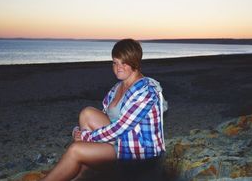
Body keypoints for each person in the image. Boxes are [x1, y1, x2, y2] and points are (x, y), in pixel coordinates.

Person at [40, 39, 166, 181]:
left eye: (123, 63)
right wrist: (78, 132)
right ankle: (82, 173)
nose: (118, 67)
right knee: (87, 113)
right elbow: (103, 116)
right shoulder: (117, 88)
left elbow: (121, 128)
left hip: (139, 155)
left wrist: (85, 137)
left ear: (135, 62)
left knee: (75, 149)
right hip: (120, 143)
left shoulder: (146, 90)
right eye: (115, 62)